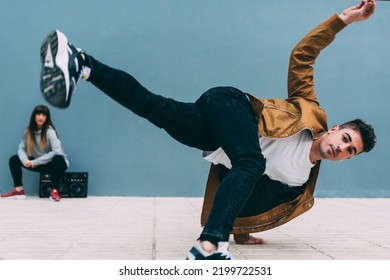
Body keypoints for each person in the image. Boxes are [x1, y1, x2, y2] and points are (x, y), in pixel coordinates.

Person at [38, 1, 376, 259]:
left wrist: (243, 233)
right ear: (334, 129)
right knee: (251, 160)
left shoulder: (299, 185)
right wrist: (343, 20)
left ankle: (81, 63)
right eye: (345, 139)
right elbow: (302, 56)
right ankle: (210, 244)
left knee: (155, 108)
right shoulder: (311, 111)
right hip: (231, 104)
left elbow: (249, 192)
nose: (342, 148)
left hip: (214, 138)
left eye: (350, 151)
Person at [1, 105, 69, 202]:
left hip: (56, 164)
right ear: (34, 116)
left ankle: (54, 190)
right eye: (38, 114)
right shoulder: (28, 131)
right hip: (39, 164)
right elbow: (21, 148)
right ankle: (18, 190)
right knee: (14, 159)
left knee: (58, 158)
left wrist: (35, 162)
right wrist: (25, 161)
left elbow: (56, 152)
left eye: (44, 115)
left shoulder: (50, 131)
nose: (41, 117)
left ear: (47, 118)